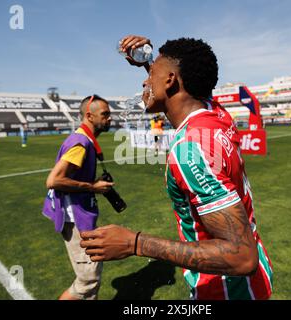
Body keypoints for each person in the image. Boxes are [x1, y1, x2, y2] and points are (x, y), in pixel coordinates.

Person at [80, 36, 273, 300]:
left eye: (152, 76)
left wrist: (134, 243)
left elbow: (241, 257)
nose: (144, 82)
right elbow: (182, 90)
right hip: (253, 285)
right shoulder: (215, 114)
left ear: (170, 80)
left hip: (228, 290)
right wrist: (150, 63)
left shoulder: (191, 150)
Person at [42, 94, 114, 300]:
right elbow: (54, 180)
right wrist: (92, 186)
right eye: (105, 114)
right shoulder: (81, 143)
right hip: (74, 217)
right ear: (90, 116)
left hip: (79, 213)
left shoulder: (84, 139)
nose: (110, 119)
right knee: (87, 281)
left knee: (91, 281)